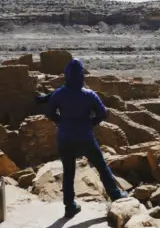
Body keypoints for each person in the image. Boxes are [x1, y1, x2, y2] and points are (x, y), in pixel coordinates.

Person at [44, 58, 127, 218]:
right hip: (85, 136)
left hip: (65, 137)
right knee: (101, 166)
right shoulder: (89, 95)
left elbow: (49, 113)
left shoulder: (59, 94)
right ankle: (115, 195)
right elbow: (103, 113)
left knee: (68, 172)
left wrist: (61, 122)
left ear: (66, 76)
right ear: (82, 76)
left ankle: (69, 206)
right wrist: (91, 123)